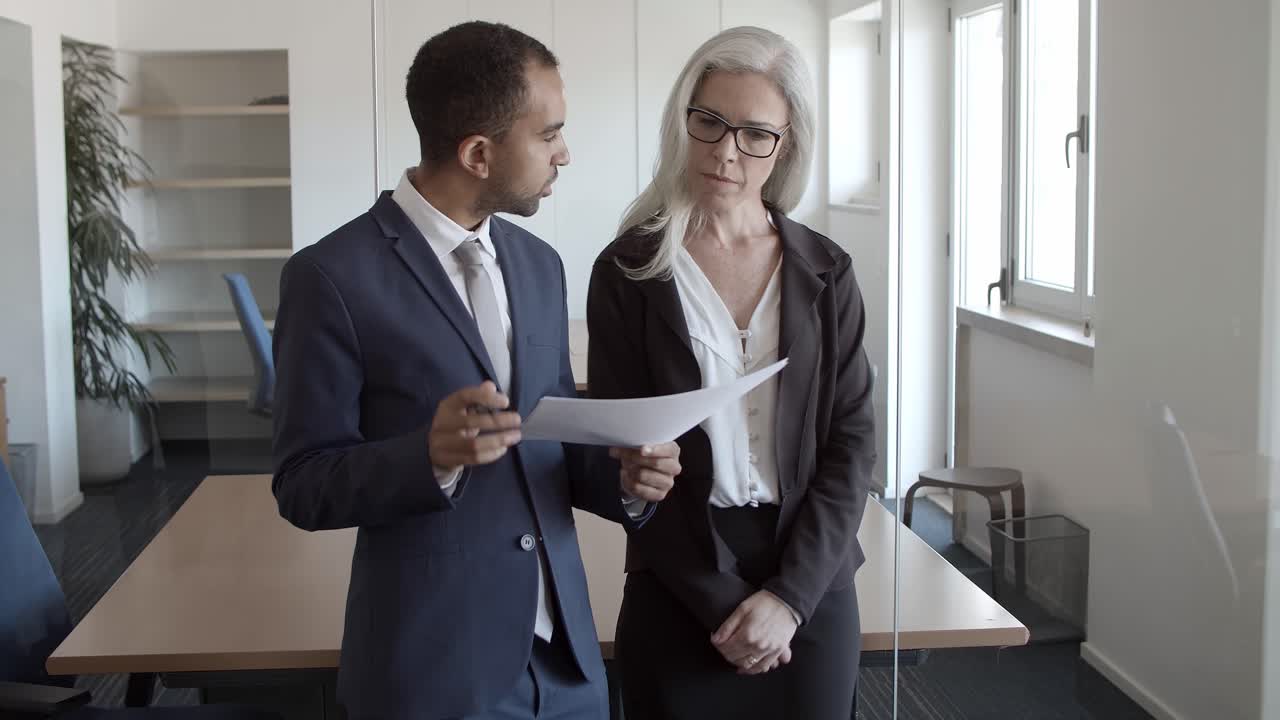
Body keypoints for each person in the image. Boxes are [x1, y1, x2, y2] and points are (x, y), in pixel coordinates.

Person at [271, 21, 681, 720]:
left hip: (569, 671)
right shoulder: (330, 277)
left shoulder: (540, 266)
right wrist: (429, 459)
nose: (565, 154)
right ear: (479, 153)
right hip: (434, 676)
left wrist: (626, 480)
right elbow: (303, 484)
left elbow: (547, 448)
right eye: (549, 134)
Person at [586, 26, 877, 720]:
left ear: (787, 146)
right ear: (683, 118)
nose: (724, 151)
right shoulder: (629, 270)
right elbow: (627, 456)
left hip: (809, 576)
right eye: (709, 122)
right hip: (680, 577)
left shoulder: (826, 271)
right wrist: (725, 603)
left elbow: (853, 443)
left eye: (754, 134)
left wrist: (787, 599)